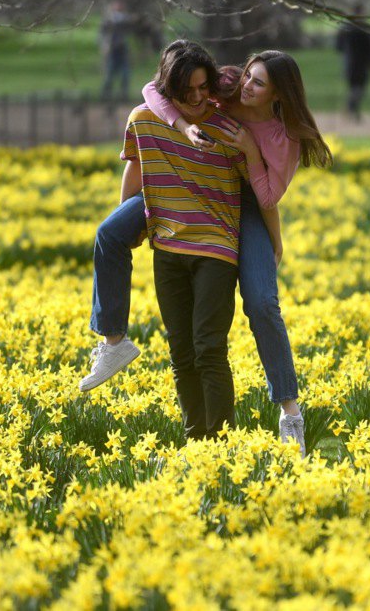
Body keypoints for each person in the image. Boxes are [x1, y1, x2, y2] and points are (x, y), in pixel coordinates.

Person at [81, 47, 332, 455]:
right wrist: (180, 126)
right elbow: (153, 88)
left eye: (259, 82)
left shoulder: (282, 138)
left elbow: (268, 197)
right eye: (249, 75)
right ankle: (114, 342)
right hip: (184, 182)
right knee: (110, 233)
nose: (247, 85)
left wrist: (251, 153)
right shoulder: (222, 88)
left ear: (279, 94)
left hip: (247, 201)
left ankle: (290, 413)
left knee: (262, 303)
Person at [115, 41, 248, 440]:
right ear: (167, 88)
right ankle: (196, 439)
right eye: (185, 90)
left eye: (202, 87)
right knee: (181, 351)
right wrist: (129, 224)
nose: (195, 98)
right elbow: (135, 174)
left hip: (216, 247)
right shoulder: (143, 120)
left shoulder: (227, 126)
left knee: (209, 347)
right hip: (168, 247)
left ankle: (223, 442)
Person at [335, 9, 370, 122]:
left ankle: (352, 109)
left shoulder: (346, 29)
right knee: (357, 88)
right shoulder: (363, 30)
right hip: (358, 64)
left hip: (351, 63)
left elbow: (338, 47)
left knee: (355, 88)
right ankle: (352, 109)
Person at [98, 0, 133, 103]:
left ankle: (123, 97)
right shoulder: (108, 21)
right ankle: (105, 97)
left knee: (125, 75)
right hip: (112, 51)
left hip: (123, 51)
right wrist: (104, 46)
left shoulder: (126, 20)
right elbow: (102, 35)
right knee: (109, 75)